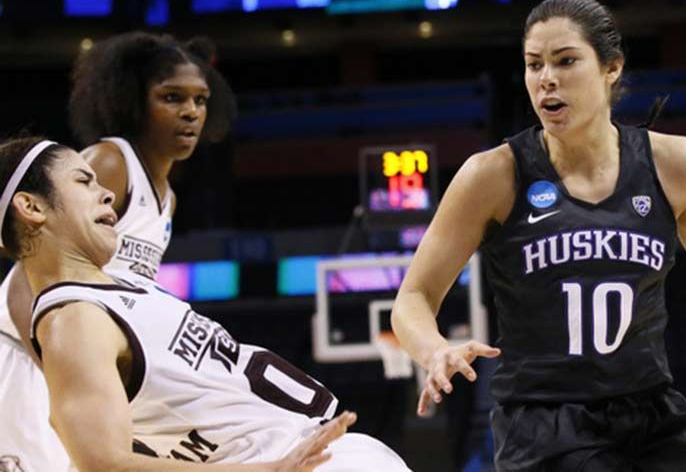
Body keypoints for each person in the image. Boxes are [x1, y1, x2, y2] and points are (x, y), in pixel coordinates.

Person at [392, 0, 686, 471]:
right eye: (534, 65)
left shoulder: (678, 165)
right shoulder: (492, 176)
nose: (546, 78)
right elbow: (414, 297)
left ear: (611, 68)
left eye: (566, 61)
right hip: (546, 422)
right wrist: (435, 350)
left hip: (653, 411)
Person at [0, 136, 412, 471]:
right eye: (83, 182)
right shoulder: (72, 322)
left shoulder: (120, 285)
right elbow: (104, 463)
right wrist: (267, 471)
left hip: (315, 448)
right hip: (288, 461)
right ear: (31, 206)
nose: (106, 193)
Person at [0, 31, 236, 471]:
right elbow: (22, 283)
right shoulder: (112, 162)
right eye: (171, 97)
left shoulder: (167, 198)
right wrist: (66, 372)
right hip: (27, 352)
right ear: (132, 101)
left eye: (200, 100)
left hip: (77, 359)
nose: (190, 112)